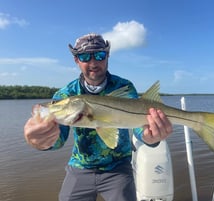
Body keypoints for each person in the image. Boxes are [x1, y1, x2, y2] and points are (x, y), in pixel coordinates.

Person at [24, 33, 173, 201]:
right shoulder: (66, 94)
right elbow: (59, 138)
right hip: (81, 166)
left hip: (118, 167)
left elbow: (137, 124)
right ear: (76, 60)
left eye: (100, 55)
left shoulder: (123, 86)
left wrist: (149, 138)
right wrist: (43, 142)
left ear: (107, 56)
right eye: (85, 56)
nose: (93, 63)